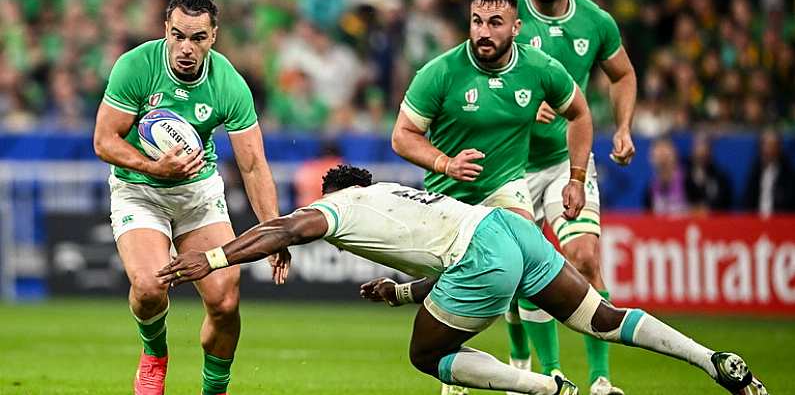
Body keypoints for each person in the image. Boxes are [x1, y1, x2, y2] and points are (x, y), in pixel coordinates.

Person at [157, 165, 768, 395]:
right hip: (507, 230)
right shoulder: (396, 193)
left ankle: (547, 390)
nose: (314, 213)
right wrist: (400, 292)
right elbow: (441, 265)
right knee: (603, 319)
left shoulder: (340, 206)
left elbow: (283, 231)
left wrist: (210, 261)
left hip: (481, 254)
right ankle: (715, 361)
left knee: (426, 355)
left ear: (336, 193)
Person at [391, 0, 593, 395]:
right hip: (447, 196)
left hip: (504, 188)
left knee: (526, 260)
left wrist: (575, 176)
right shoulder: (441, 71)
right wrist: (445, 163)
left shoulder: (540, 68)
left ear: (516, 27)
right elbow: (402, 136)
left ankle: (549, 370)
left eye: (495, 23)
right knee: (457, 290)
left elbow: (581, 113)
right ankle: (459, 368)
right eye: (477, 22)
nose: (483, 31)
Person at [93, 0, 288, 395]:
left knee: (225, 300)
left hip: (197, 196)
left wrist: (274, 231)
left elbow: (253, 164)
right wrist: (153, 167)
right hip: (139, 190)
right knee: (148, 288)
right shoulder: (136, 65)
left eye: (198, 38)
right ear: (166, 27)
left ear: (213, 36)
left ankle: (214, 389)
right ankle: (154, 355)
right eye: (177, 35)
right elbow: (104, 140)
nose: (186, 47)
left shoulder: (228, 83)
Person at [508, 0, 638, 393]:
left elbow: (621, 75)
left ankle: (601, 379)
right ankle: (547, 374)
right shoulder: (506, 16)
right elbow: (478, 77)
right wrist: (521, 100)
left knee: (584, 258)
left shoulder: (596, 22)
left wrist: (623, 128)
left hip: (567, 159)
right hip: (511, 164)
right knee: (521, 268)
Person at [742, 129, 795, 216]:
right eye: (765, 145)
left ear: (779, 147)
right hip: (756, 221)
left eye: (772, 145)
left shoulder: (788, 173)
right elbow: (747, 201)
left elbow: (789, 203)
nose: (768, 150)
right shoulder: (755, 170)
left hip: (780, 221)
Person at [684, 133, 732, 213]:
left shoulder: (721, 175)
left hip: (714, 219)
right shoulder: (685, 173)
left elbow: (724, 202)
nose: (701, 152)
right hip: (689, 217)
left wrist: (707, 209)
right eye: (697, 148)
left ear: (710, 151)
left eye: (704, 148)